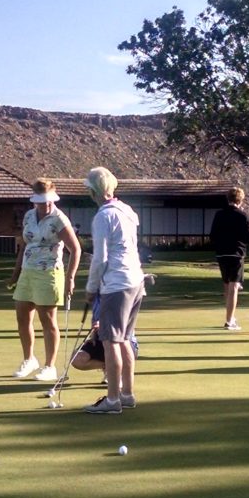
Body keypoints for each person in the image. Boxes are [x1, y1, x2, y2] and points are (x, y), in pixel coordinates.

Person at [82, 167, 144, 413]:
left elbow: (101, 258)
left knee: (110, 341)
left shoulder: (102, 216)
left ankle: (112, 400)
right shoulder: (127, 211)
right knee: (125, 339)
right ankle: (126, 394)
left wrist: (91, 287)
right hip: (135, 280)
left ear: (94, 190)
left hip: (116, 284)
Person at [9, 179, 82, 382]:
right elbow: (24, 246)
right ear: (34, 201)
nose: (46, 205)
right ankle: (29, 359)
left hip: (50, 272)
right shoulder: (29, 216)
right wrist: (16, 273)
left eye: (49, 201)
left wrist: (70, 278)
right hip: (28, 271)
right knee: (22, 316)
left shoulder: (59, 219)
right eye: (41, 201)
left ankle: (50, 367)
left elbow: (75, 249)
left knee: (47, 321)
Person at [209, 187, 249, 330]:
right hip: (236, 253)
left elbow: (213, 235)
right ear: (240, 200)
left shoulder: (219, 214)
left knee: (227, 284)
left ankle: (230, 316)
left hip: (222, 253)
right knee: (234, 285)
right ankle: (229, 321)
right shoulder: (243, 215)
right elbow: (248, 238)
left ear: (228, 199)